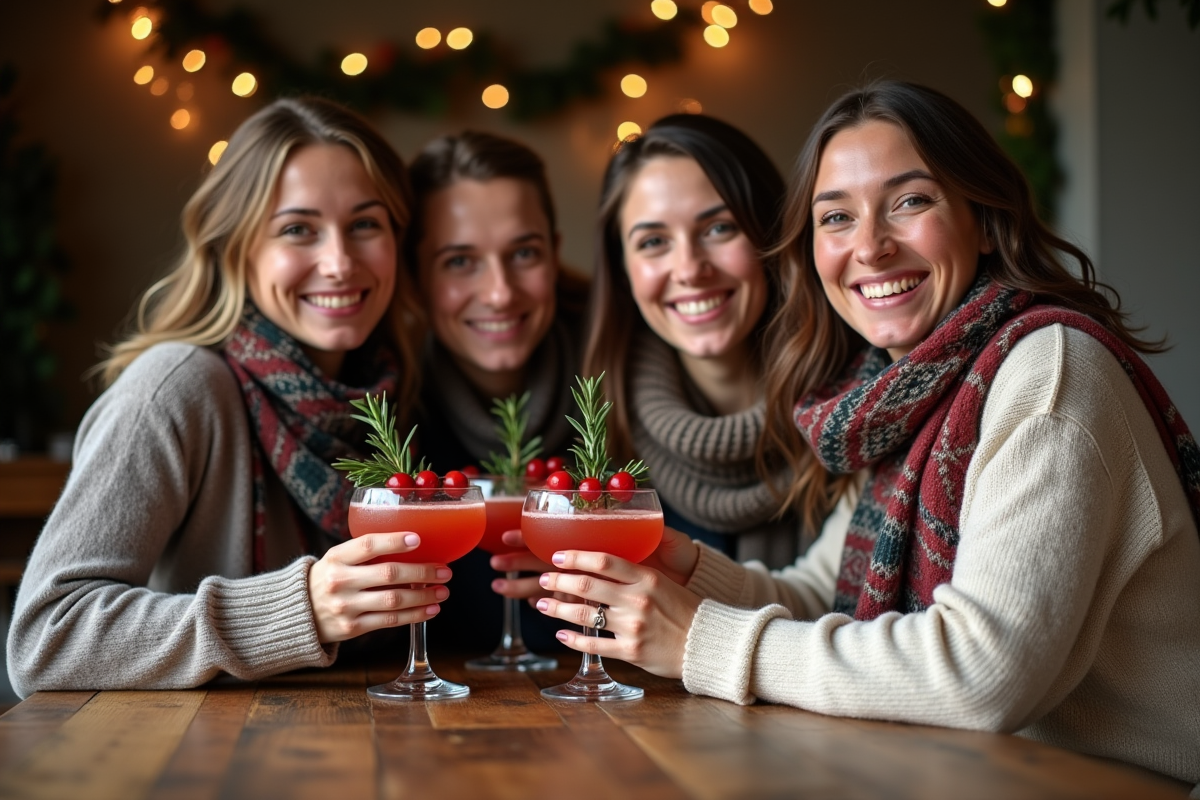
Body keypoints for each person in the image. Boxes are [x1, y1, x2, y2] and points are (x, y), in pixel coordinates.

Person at [531, 81, 1200, 789]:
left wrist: (699, 638)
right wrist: (684, 567)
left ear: (984, 213)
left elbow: (983, 673)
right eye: (837, 217)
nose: (871, 248)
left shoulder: (1048, 372)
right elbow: (823, 595)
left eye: (911, 201)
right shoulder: (901, 391)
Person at [7, 97, 448, 695]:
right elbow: (45, 638)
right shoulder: (176, 388)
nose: (340, 262)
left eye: (365, 224)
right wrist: (299, 609)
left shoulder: (390, 394)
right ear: (235, 247)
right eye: (298, 229)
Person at [580, 114, 818, 568]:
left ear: (769, 233)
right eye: (653, 241)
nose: (690, 268)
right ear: (623, 268)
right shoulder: (599, 432)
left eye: (718, 229)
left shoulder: (855, 410)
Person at [404, 131, 588, 652]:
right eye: (460, 261)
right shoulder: (388, 408)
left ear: (554, 254)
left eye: (523, 253)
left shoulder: (625, 378)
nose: (501, 292)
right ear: (415, 278)